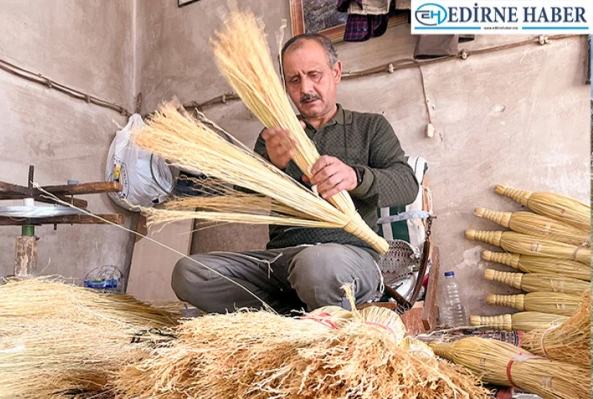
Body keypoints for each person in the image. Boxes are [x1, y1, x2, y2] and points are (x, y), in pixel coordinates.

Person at [171, 33, 419, 314]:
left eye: (315, 75)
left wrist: (355, 177)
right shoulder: (274, 137)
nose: (306, 89)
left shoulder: (370, 127)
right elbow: (244, 195)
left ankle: (301, 306)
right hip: (279, 263)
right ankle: (295, 311)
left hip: (346, 261)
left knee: (315, 265)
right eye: (295, 80)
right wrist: (270, 167)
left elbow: (407, 185)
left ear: (336, 72)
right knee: (189, 273)